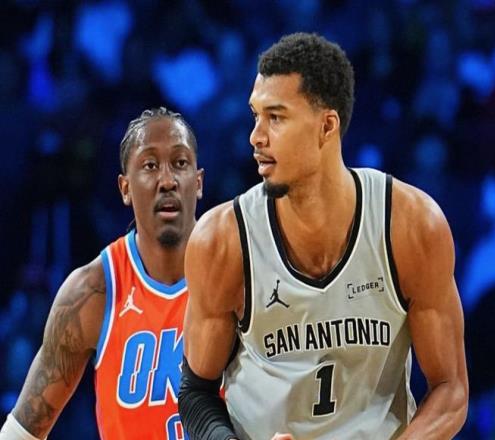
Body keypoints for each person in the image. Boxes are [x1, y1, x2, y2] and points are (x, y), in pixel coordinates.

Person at [179, 33, 468, 440]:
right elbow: (196, 393)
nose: (255, 136)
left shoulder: (411, 226)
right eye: (255, 115)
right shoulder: (222, 240)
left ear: (327, 126)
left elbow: (450, 390)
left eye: (276, 117)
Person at [0, 107, 204, 440]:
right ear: (125, 188)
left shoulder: (238, 272)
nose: (167, 181)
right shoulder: (93, 290)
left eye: (180, 163)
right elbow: (20, 433)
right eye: (150, 165)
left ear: (198, 182)